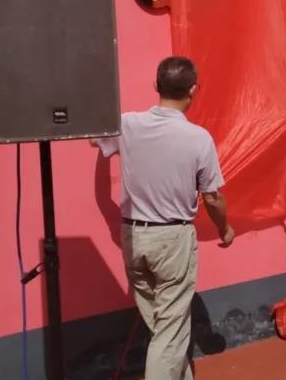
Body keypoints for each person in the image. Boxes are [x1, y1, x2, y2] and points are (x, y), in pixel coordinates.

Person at [92, 56, 234, 380]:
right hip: (172, 241)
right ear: (193, 90)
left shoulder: (127, 124)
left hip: (133, 238)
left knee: (164, 327)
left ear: (156, 85)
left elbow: (93, 139)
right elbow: (212, 197)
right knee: (168, 334)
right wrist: (224, 229)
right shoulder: (198, 138)